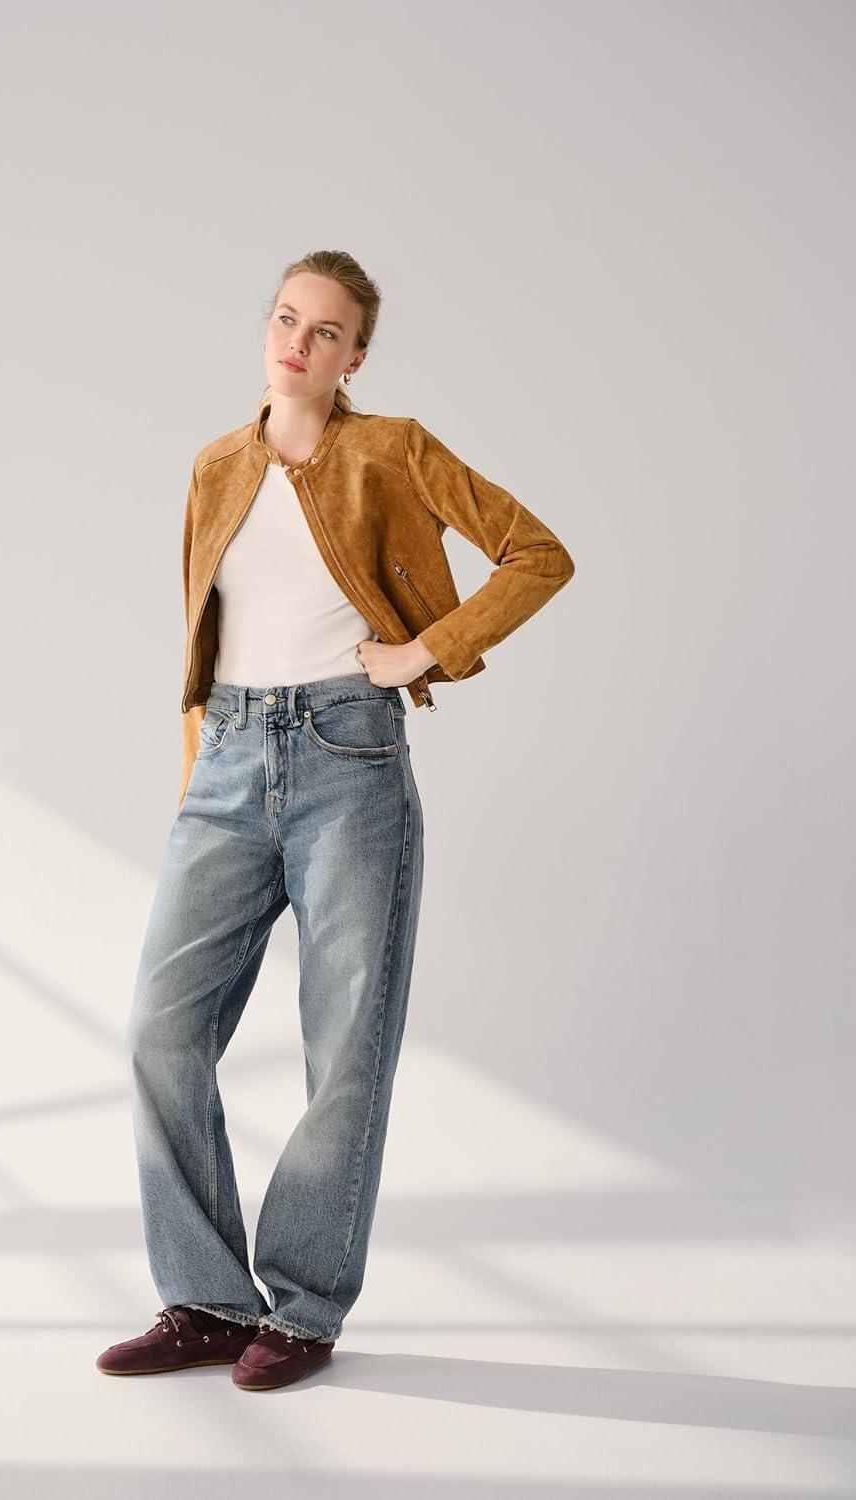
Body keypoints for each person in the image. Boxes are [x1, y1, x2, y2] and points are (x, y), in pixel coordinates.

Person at [97, 250, 575, 1392]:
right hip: (224, 761)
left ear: (355, 357)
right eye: (285, 319)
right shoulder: (215, 465)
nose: (297, 344)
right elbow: (199, 637)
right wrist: (195, 781)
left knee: (344, 1046)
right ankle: (207, 1299)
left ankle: (305, 1309)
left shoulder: (393, 449)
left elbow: (537, 555)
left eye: (325, 332)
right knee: (162, 1030)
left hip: (348, 758)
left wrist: (425, 653)